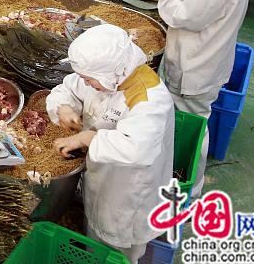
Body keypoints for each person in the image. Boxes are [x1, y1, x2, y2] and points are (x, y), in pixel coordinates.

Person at [132, 0, 250, 198]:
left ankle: (190, 188)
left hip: (197, 64)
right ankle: (173, 174)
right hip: (195, 55)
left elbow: (186, 16)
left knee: (193, 127)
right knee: (184, 119)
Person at [47, 25, 174, 264]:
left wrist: (85, 138)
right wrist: (63, 106)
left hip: (127, 192)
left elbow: (137, 149)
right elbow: (69, 87)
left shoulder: (150, 99)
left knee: (116, 249)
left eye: (90, 80)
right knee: (95, 233)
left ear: (112, 73)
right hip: (101, 177)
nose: (87, 83)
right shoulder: (104, 72)